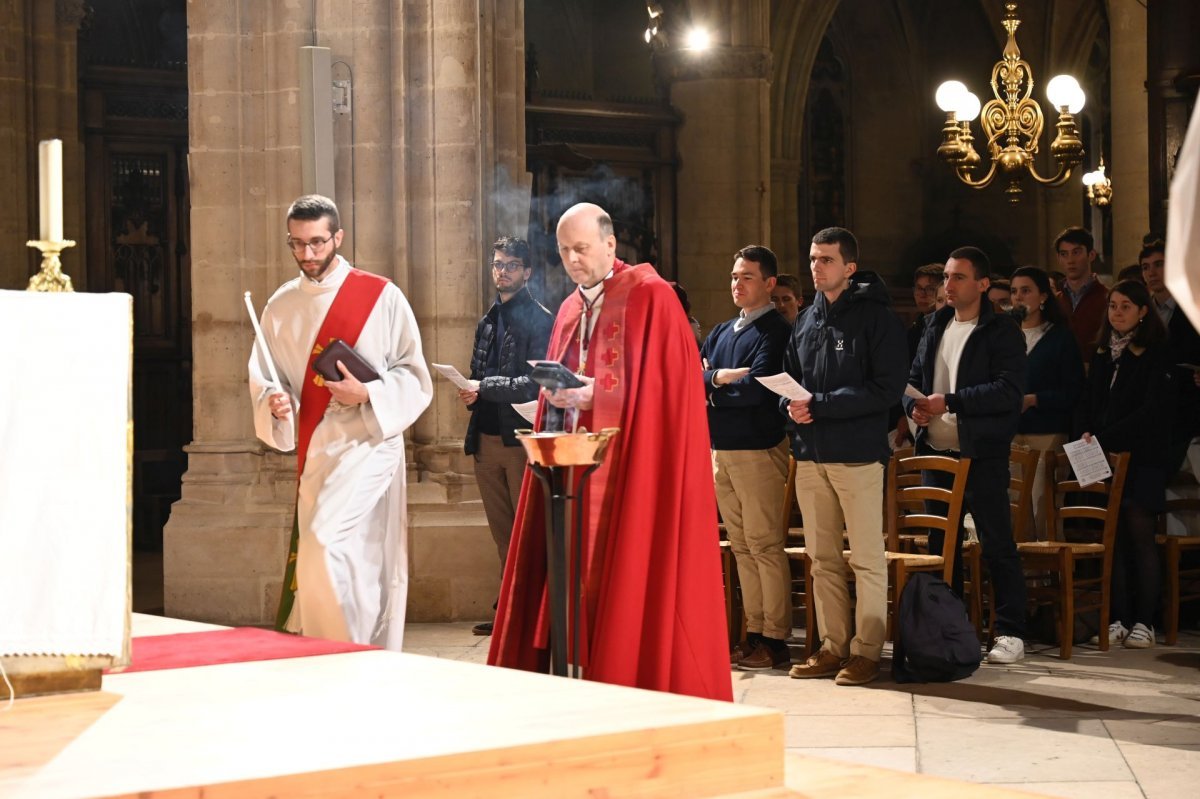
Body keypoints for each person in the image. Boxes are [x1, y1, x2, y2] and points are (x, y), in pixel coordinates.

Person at [488, 202, 732, 701]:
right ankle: (575, 661)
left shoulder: (652, 297)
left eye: (581, 248)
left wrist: (595, 394)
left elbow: (668, 390)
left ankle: (623, 668)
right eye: (564, 251)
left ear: (610, 244)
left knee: (626, 576)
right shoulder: (570, 308)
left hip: (630, 471)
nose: (573, 260)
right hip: (573, 472)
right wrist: (556, 396)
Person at [249, 194, 432, 651]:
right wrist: (277, 401)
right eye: (297, 245)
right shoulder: (279, 305)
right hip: (318, 449)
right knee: (342, 558)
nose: (307, 255)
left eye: (316, 243)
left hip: (370, 442)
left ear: (338, 237)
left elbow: (415, 375)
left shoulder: (381, 296)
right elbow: (269, 377)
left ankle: (341, 653)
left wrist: (367, 392)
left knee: (326, 545)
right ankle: (343, 649)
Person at [783, 227, 906, 686]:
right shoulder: (806, 319)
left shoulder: (876, 319)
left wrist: (820, 404)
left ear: (849, 268)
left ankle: (867, 651)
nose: (817, 267)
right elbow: (789, 378)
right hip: (811, 454)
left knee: (867, 558)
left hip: (856, 455)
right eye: (813, 259)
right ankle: (833, 646)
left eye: (827, 260)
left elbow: (886, 389)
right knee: (822, 557)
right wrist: (788, 404)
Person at [905, 246, 1029, 665]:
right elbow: (913, 378)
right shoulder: (935, 324)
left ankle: (1011, 631)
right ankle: (953, 628)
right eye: (946, 277)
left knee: (997, 543)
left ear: (982, 284)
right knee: (943, 546)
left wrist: (950, 402)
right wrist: (915, 408)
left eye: (958, 277)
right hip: (936, 451)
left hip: (981, 453)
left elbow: (1008, 392)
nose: (948, 285)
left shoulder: (1002, 331)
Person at [701, 245, 792, 672]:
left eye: (748, 277)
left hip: (758, 450)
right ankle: (752, 633)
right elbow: (692, 377)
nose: (738, 284)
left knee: (765, 545)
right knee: (740, 546)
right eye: (735, 276)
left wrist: (711, 387)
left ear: (770, 283)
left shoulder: (776, 331)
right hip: (721, 449)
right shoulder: (720, 332)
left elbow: (757, 390)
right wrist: (717, 379)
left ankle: (774, 639)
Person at [460, 236, 554, 636]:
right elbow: (476, 373)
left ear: (527, 272)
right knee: (503, 533)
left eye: (511, 265)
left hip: (519, 440)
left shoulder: (540, 318)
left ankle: (534, 615)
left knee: (527, 531)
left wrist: (483, 387)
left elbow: (535, 384)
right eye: (497, 264)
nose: (502, 271)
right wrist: (470, 391)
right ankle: (509, 608)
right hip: (485, 438)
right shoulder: (488, 319)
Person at [1078, 280, 1175, 649]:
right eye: (1113, 306)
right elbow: (1089, 399)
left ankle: (1145, 621)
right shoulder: (1104, 352)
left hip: (1142, 457)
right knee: (1114, 538)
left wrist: (1105, 438)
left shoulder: (1156, 352)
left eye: (1125, 306)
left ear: (1143, 311)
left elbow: (1151, 412)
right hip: (1105, 457)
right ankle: (1117, 617)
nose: (1116, 312)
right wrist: (1086, 431)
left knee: (1140, 537)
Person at [1009, 266, 1084, 534]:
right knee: (1016, 510)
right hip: (1011, 433)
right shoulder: (1006, 336)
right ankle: (1023, 574)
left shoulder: (1059, 337)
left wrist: (1034, 399)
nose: (1018, 297)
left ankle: (1051, 574)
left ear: (1042, 296)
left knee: (1043, 509)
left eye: (1026, 290)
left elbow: (1073, 391)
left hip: (1047, 432)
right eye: (1014, 291)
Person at [1140, 239, 1200, 473]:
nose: (1151, 273)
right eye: (1145, 267)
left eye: (1158, 265)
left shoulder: (1193, 307)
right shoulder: (1143, 313)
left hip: (1188, 409)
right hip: (1156, 410)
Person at [1054, 226, 1108, 360]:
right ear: (1059, 258)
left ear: (1091, 255)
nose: (1070, 260)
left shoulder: (1107, 297)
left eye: (1076, 252)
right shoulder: (1054, 300)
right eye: (1064, 254)